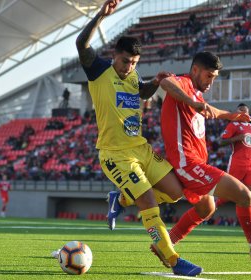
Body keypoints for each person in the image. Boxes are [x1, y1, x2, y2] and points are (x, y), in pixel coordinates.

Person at [68, 0, 202, 276]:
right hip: (116, 154)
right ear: (115, 55)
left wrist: (154, 83)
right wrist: (100, 16)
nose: (129, 66)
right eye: (125, 61)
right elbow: (81, 44)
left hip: (141, 148)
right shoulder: (99, 70)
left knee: (177, 193)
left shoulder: (132, 76)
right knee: (150, 205)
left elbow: (140, 92)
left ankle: (121, 200)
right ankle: (174, 261)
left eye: (134, 62)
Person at [160, 51, 251, 263]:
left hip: (195, 163)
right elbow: (165, 83)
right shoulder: (183, 83)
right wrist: (192, 103)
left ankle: (165, 244)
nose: (211, 81)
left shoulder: (196, 94)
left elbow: (210, 110)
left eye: (215, 77)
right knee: (245, 195)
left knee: (207, 208)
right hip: (187, 164)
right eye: (209, 75)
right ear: (195, 70)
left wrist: (231, 115)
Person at [216, 103, 251, 236]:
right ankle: (209, 208)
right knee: (228, 194)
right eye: (241, 111)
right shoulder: (232, 125)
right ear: (237, 113)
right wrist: (236, 138)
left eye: (246, 112)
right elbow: (221, 141)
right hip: (237, 164)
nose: (244, 114)